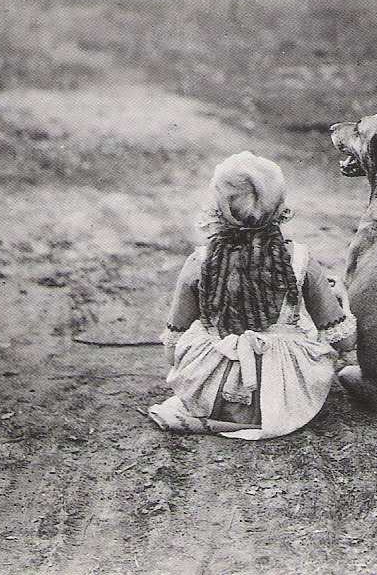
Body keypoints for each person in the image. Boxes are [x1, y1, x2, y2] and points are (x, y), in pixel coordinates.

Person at [148, 151, 357, 439]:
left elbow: (172, 351)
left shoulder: (199, 262)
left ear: (218, 207)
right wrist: (342, 298)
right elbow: (344, 342)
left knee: (199, 337)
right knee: (306, 332)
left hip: (209, 395)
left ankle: (217, 412)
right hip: (284, 399)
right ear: (279, 206)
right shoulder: (299, 260)